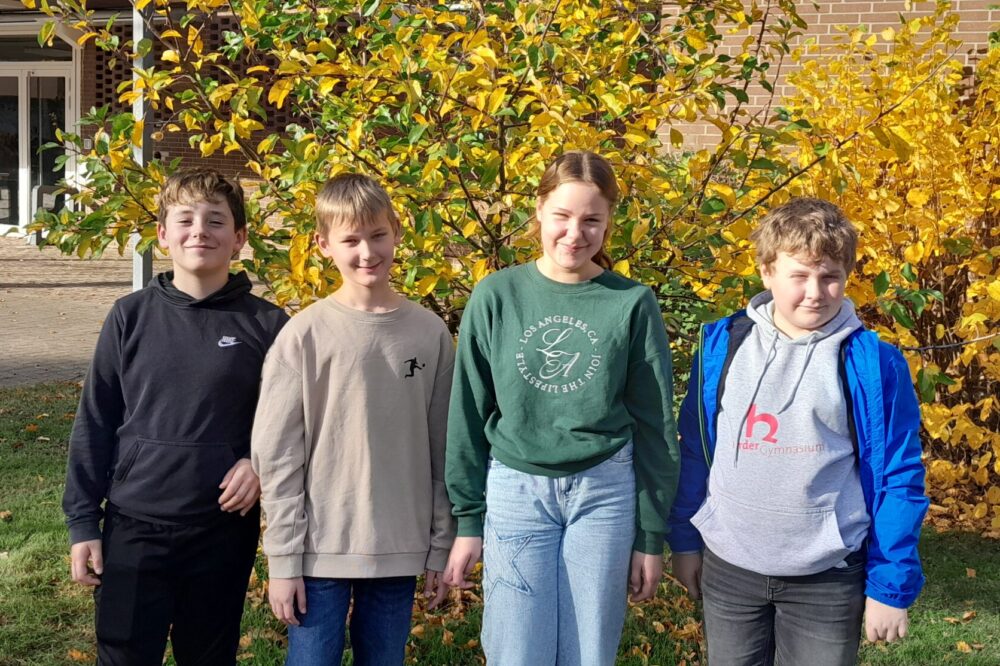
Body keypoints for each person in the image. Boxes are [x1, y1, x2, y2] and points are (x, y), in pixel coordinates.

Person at [667, 197, 928, 665]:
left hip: (826, 578)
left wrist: (890, 586)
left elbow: (898, 476)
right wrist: (685, 539)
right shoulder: (722, 345)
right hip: (729, 568)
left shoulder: (872, 363)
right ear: (767, 272)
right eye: (800, 276)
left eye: (830, 276)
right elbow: (698, 451)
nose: (815, 292)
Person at [444, 150, 680, 665]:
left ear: (609, 223)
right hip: (515, 486)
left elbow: (655, 422)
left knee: (589, 650)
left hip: (604, 490)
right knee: (515, 649)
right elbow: (467, 410)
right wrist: (467, 521)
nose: (576, 233)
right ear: (539, 212)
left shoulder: (631, 302)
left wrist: (650, 533)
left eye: (592, 220)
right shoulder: (496, 296)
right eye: (563, 217)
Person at [62, 169, 289, 664]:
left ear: (240, 238)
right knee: (124, 654)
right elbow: (95, 421)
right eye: (184, 220)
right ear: (163, 234)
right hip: (134, 523)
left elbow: (292, 422)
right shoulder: (129, 316)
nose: (199, 231)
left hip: (222, 528)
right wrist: (83, 523)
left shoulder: (269, 325)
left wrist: (257, 461)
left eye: (215, 221)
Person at [251, 173, 456, 665]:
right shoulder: (303, 336)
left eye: (377, 235)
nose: (367, 251)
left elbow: (445, 450)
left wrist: (439, 544)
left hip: (399, 548)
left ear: (397, 233)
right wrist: (283, 559)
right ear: (323, 245)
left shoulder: (429, 334)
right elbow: (277, 456)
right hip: (319, 550)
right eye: (350, 239)